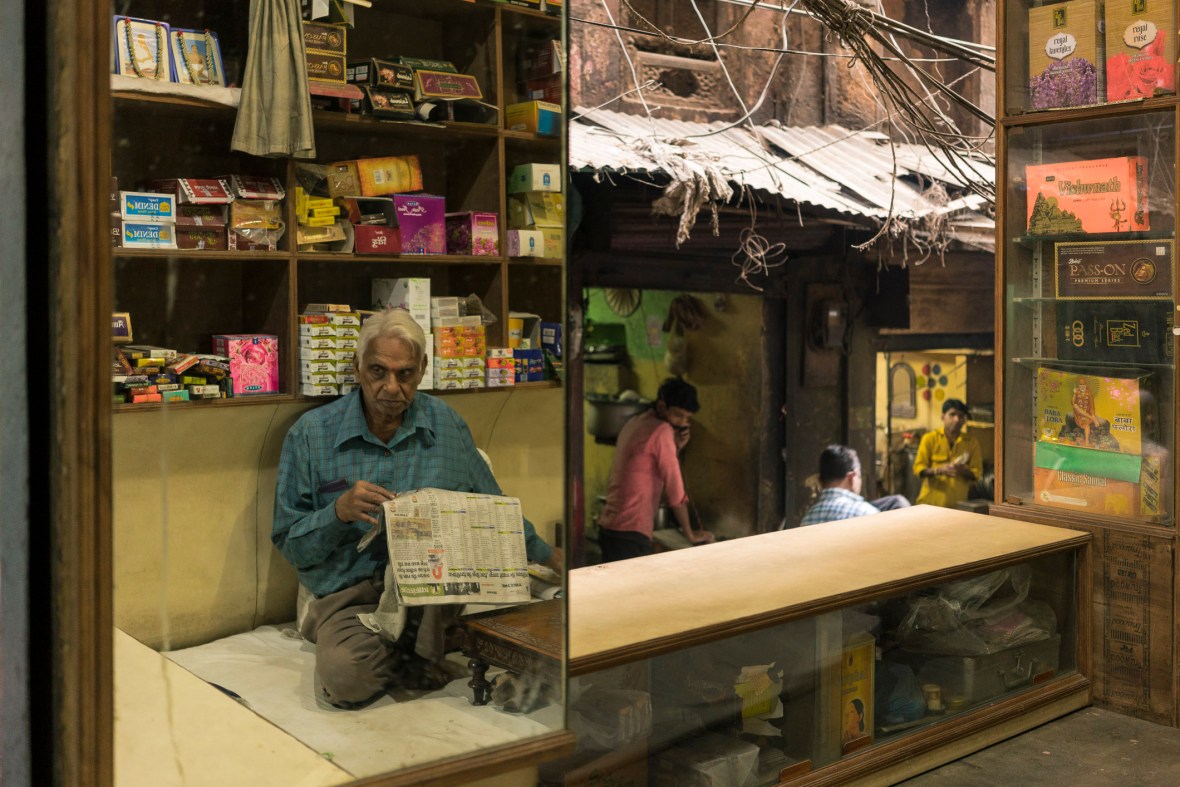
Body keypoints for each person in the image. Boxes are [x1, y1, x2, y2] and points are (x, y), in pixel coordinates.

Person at [272, 309, 561, 708]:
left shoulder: (447, 426)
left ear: (423, 369)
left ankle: (431, 653)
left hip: (435, 595)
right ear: (357, 368)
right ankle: (433, 658)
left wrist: (551, 556)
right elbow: (291, 545)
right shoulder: (311, 434)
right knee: (345, 677)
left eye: (405, 374)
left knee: (539, 631)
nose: (391, 387)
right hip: (353, 599)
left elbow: (497, 513)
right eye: (378, 371)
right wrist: (338, 512)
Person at [597, 377, 715, 562]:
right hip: (630, 533)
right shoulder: (662, 431)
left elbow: (648, 464)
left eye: (687, 418)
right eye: (678, 415)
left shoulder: (636, 421)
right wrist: (690, 534)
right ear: (661, 406)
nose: (683, 423)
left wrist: (675, 448)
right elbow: (675, 490)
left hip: (611, 529)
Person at [800, 445, 910, 525]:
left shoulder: (807, 519)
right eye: (859, 476)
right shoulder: (865, 514)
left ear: (820, 481)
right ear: (852, 477)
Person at [913, 398, 983, 509]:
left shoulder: (971, 443)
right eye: (952, 414)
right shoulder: (929, 439)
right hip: (929, 504)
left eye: (961, 416)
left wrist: (961, 470)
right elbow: (919, 469)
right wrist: (939, 470)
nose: (956, 419)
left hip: (957, 506)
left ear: (964, 420)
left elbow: (977, 474)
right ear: (942, 416)